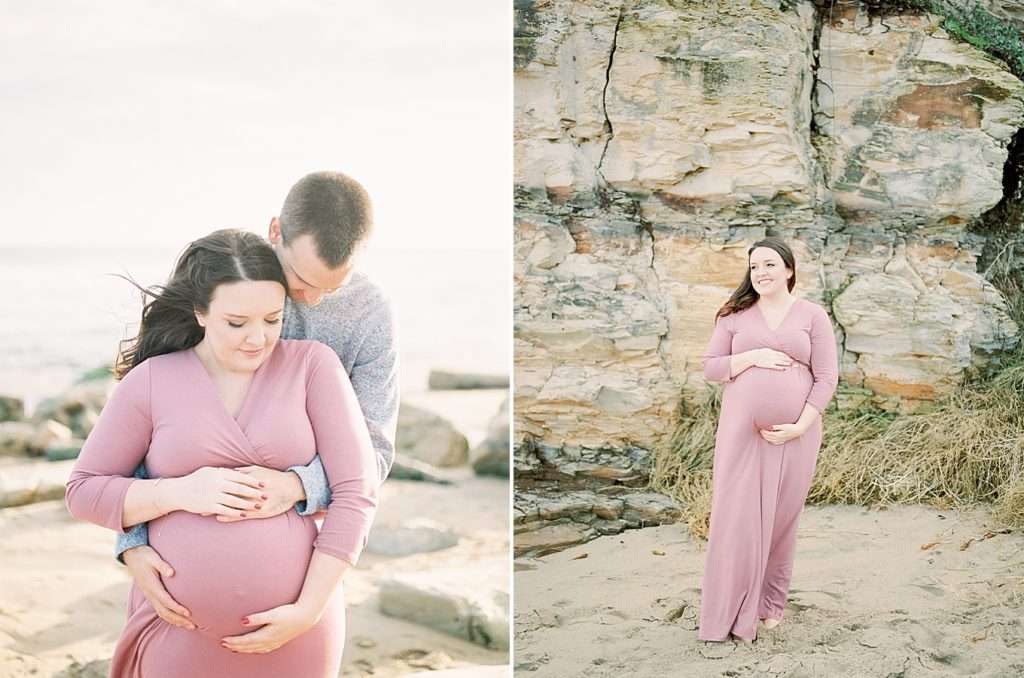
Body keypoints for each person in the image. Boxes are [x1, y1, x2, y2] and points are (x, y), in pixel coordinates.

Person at [66, 229, 379, 676]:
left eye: (273, 319)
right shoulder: (153, 380)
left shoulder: (314, 367)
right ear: (200, 311)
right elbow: (83, 490)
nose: (258, 338)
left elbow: (357, 492)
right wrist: (181, 492)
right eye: (237, 323)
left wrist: (308, 609)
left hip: (300, 630)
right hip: (177, 629)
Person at [116, 171, 399, 640]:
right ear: (275, 233)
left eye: (332, 286)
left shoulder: (370, 313)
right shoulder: (227, 281)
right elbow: (143, 427)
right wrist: (131, 543)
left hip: (305, 556)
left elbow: (374, 451)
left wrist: (296, 486)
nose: (311, 298)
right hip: (174, 559)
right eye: (301, 279)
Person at [697, 237, 839, 642]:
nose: (761, 272)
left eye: (770, 264)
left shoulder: (812, 315)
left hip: (796, 434)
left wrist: (802, 424)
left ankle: (770, 604)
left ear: (789, 270)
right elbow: (711, 367)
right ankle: (725, 610)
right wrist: (752, 357)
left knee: (781, 520)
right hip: (741, 433)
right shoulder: (733, 315)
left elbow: (827, 376)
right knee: (734, 518)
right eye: (755, 266)